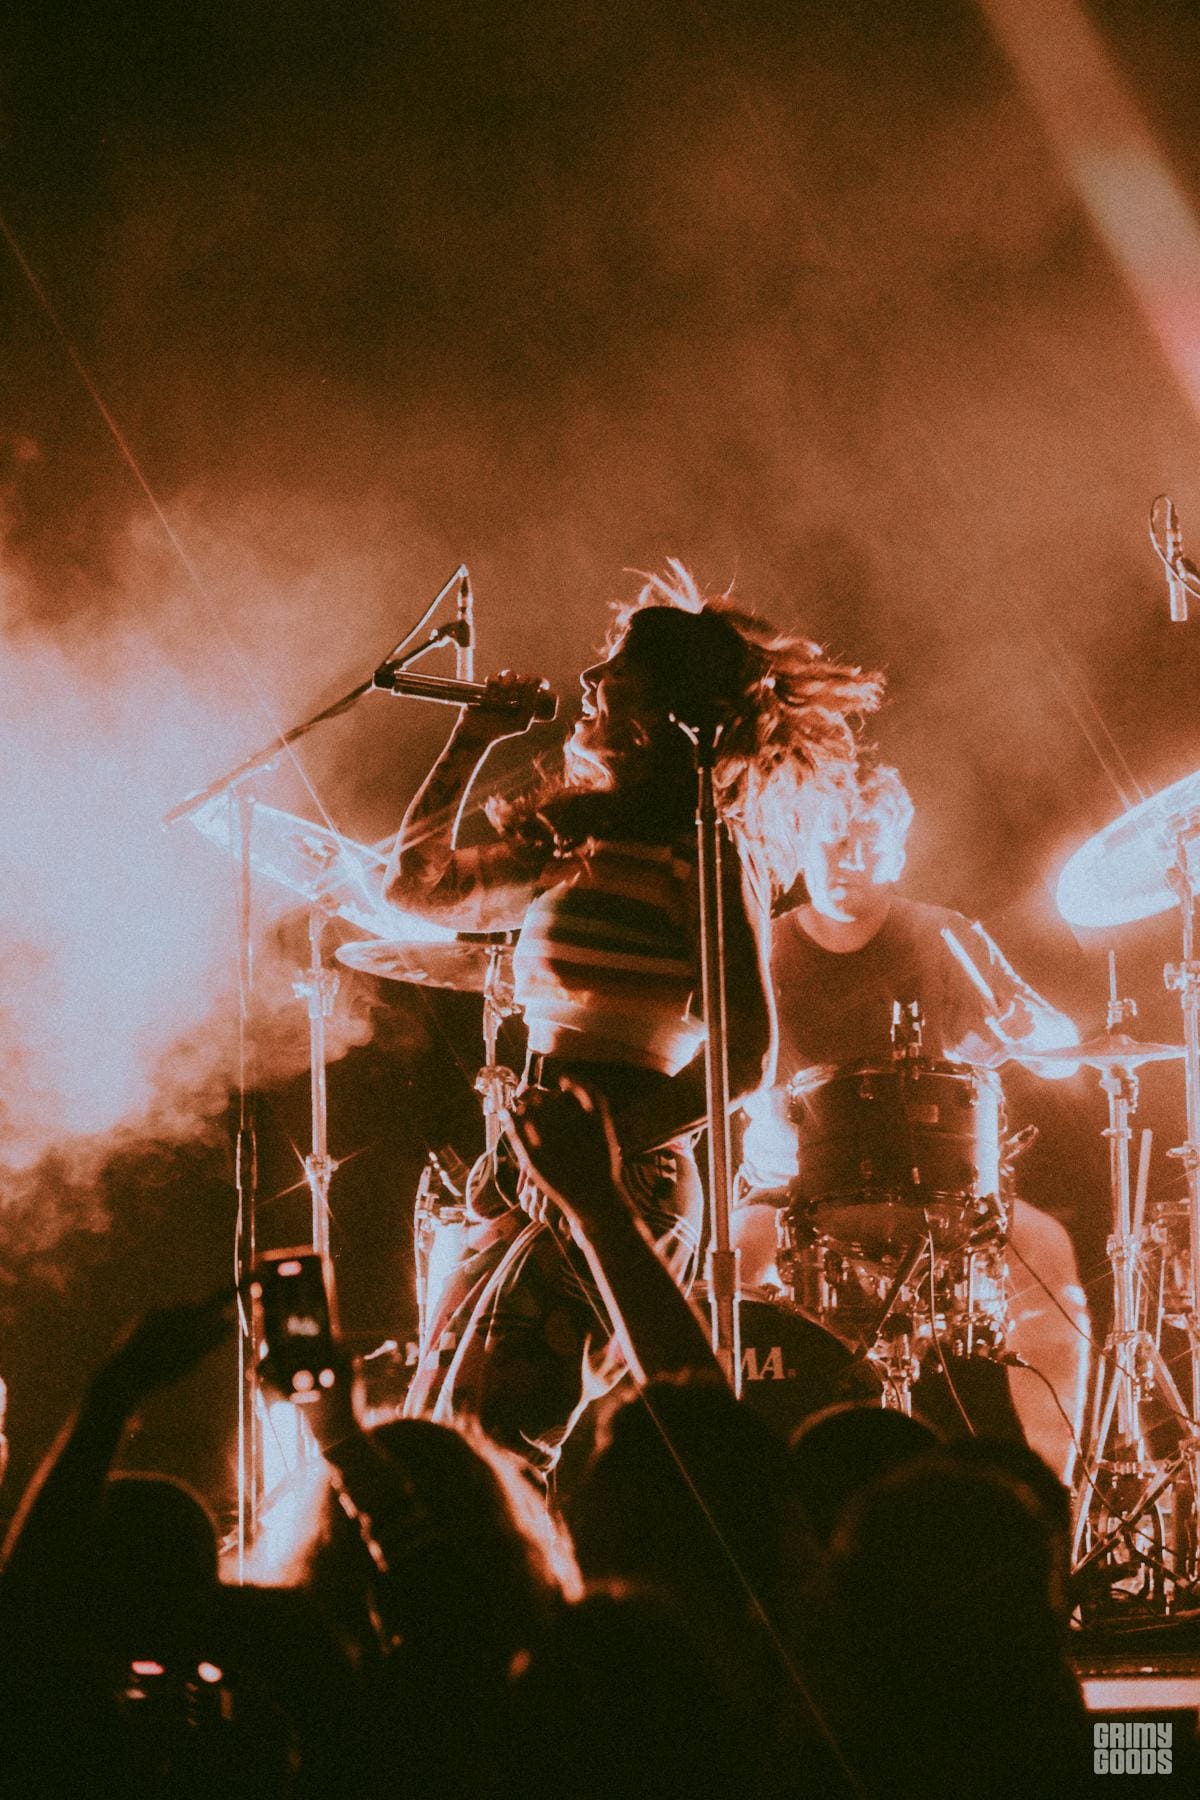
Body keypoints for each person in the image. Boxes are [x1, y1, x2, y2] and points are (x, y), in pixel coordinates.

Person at [384, 564, 881, 1469]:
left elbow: (746, 1054)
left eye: (614, 666)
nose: (588, 678)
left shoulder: (707, 850)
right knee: (448, 1422)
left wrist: (601, 1156)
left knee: (507, 1423)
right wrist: (473, 735)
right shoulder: (573, 836)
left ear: (659, 707)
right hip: (532, 1166)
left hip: (624, 1173)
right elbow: (417, 888)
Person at [737, 763, 1090, 1478]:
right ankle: (739, 1492)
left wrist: (1035, 1034)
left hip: (946, 1199)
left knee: (1049, 1261)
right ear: (803, 848)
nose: (850, 860)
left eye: (869, 845)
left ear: (898, 855)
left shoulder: (945, 936)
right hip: (792, 1198)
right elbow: (708, 1075)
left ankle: (1055, 1499)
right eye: (834, 842)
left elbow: (1063, 1051)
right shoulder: (759, 949)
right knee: (723, 1280)